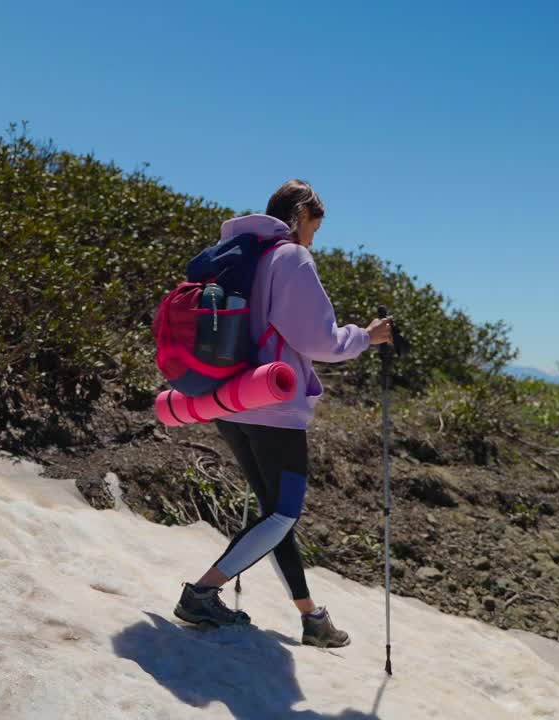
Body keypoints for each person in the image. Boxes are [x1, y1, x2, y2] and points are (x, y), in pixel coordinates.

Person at [173, 179, 393, 648]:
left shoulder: (238, 253)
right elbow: (320, 339)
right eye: (317, 223)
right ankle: (202, 593)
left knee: (275, 515)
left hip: (230, 398)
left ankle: (312, 618)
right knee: (283, 514)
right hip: (273, 402)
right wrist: (367, 337)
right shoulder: (290, 257)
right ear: (302, 215)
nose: (316, 234)